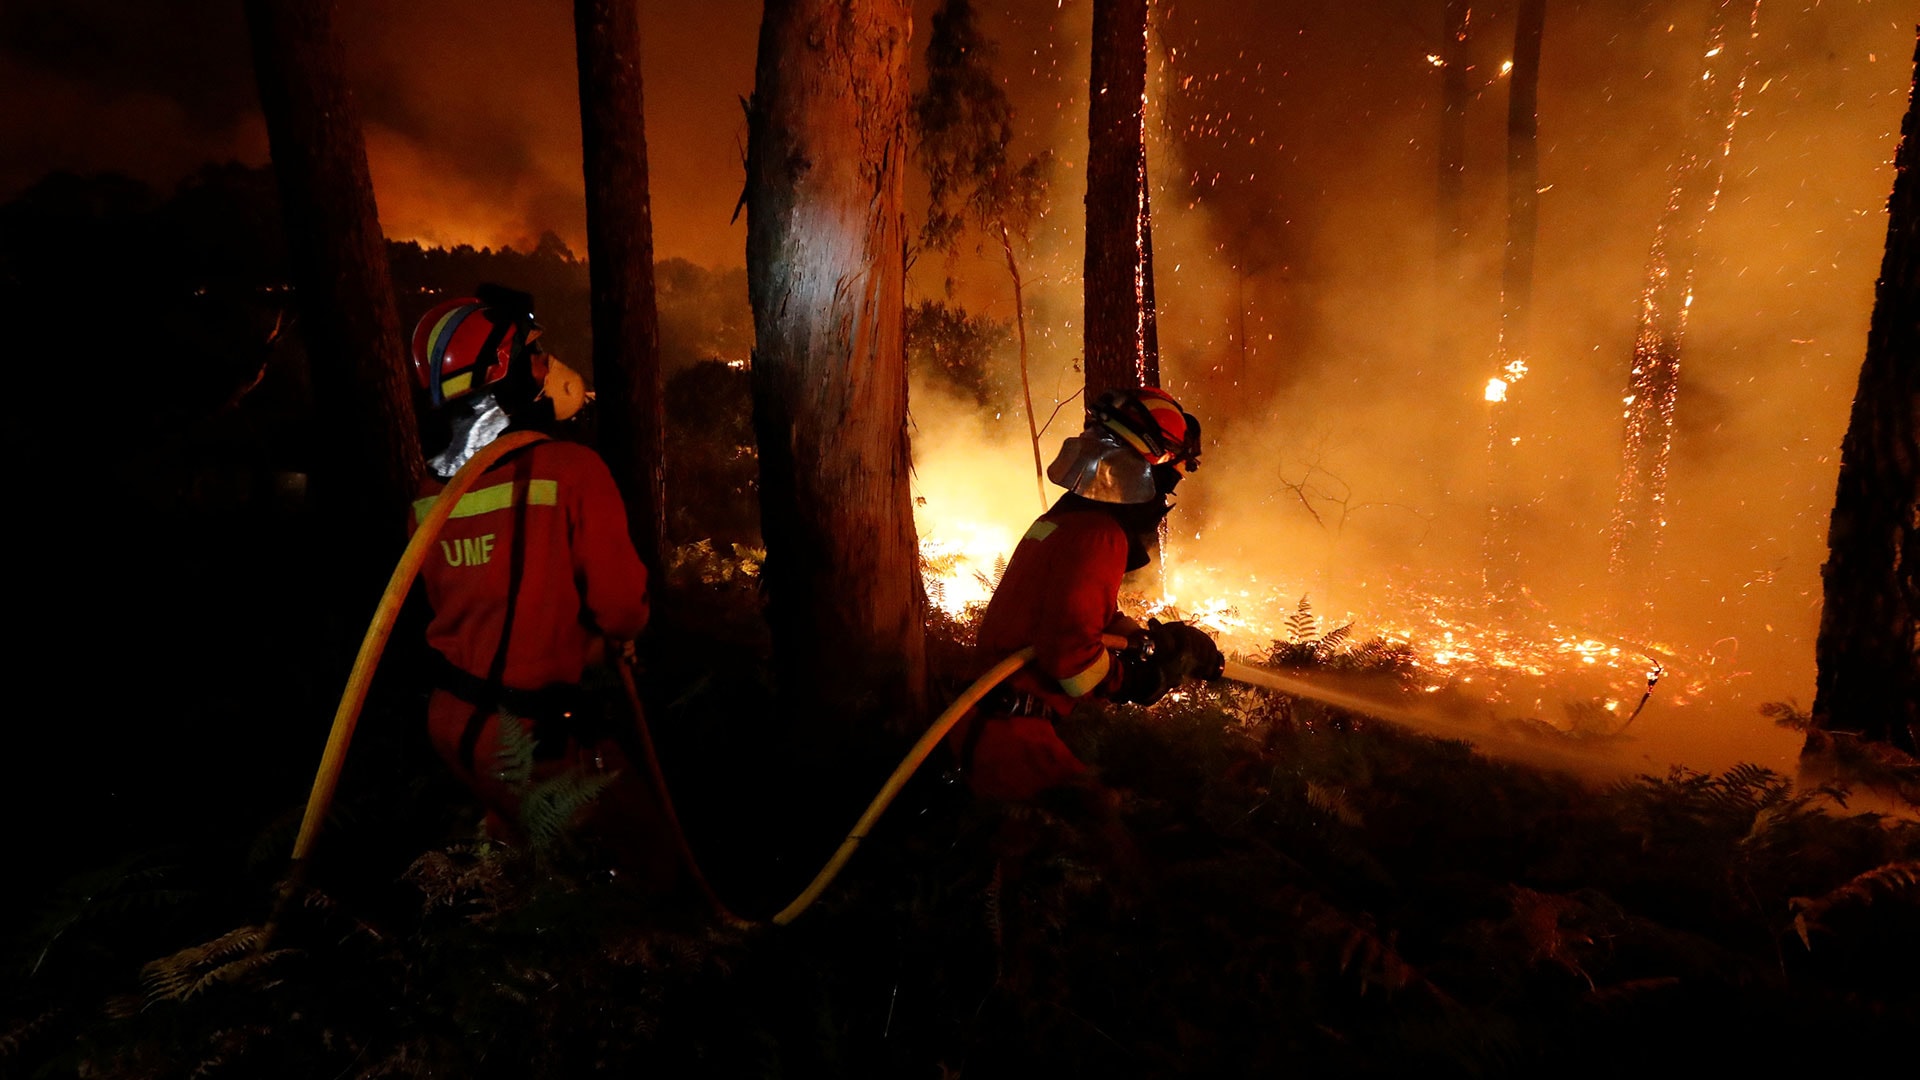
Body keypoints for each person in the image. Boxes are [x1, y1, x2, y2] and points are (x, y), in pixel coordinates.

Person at [408, 284, 678, 888]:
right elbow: (622, 609)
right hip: (536, 733)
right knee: (645, 860)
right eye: (533, 354)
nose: (546, 366)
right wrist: (614, 637)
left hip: (455, 725)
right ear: (501, 374)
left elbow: (479, 606)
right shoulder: (571, 470)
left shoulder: (429, 501)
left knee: (521, 853)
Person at [949, 385, 1226, 803]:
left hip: (984, 724)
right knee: (1108, 841)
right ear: (1148, 471)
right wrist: (1136, 678)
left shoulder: (1062, 522)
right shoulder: (1100, 536)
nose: (1166, 497)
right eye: (1171, 480)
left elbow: (1071, 612)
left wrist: (1152, 642)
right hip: (1015, 743)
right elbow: (1070, 658)